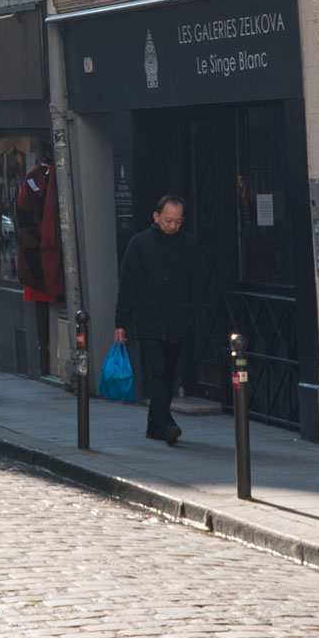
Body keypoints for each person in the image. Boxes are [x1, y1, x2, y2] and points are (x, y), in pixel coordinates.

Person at [115, 189, 194, 448]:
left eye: (178, 221)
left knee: (169, 374)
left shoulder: (188, 244)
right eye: (169, 220)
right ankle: (167, 423)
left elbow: (196, 283)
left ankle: (154, 426)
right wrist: (121, 323)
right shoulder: (140, 244)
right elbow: (128, 286)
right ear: (156, 217)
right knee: (157, 373)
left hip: (177, 321)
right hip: (149, 320)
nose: (173, 226)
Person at [15, 154, 64, 376]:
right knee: (45, 317)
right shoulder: (36, 177)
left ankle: (48, 363)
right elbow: (25, 219)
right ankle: (45, 363)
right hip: (40, 257)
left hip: (44, 256)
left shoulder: (43, 177)